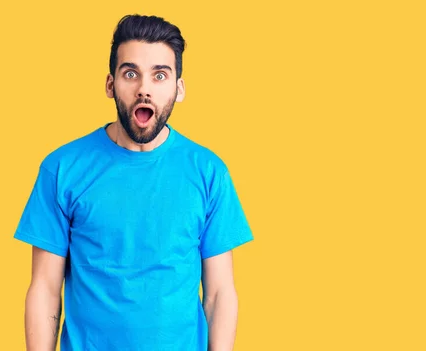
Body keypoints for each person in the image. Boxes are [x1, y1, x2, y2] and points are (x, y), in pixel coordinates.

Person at [13, 14, 254, 351]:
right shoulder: (62, 169)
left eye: (159, 75)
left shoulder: (209, 172)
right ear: (111, 84)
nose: (144, 88)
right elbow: (45, 289)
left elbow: (219, 294)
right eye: (131, 74)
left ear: (178, 88)